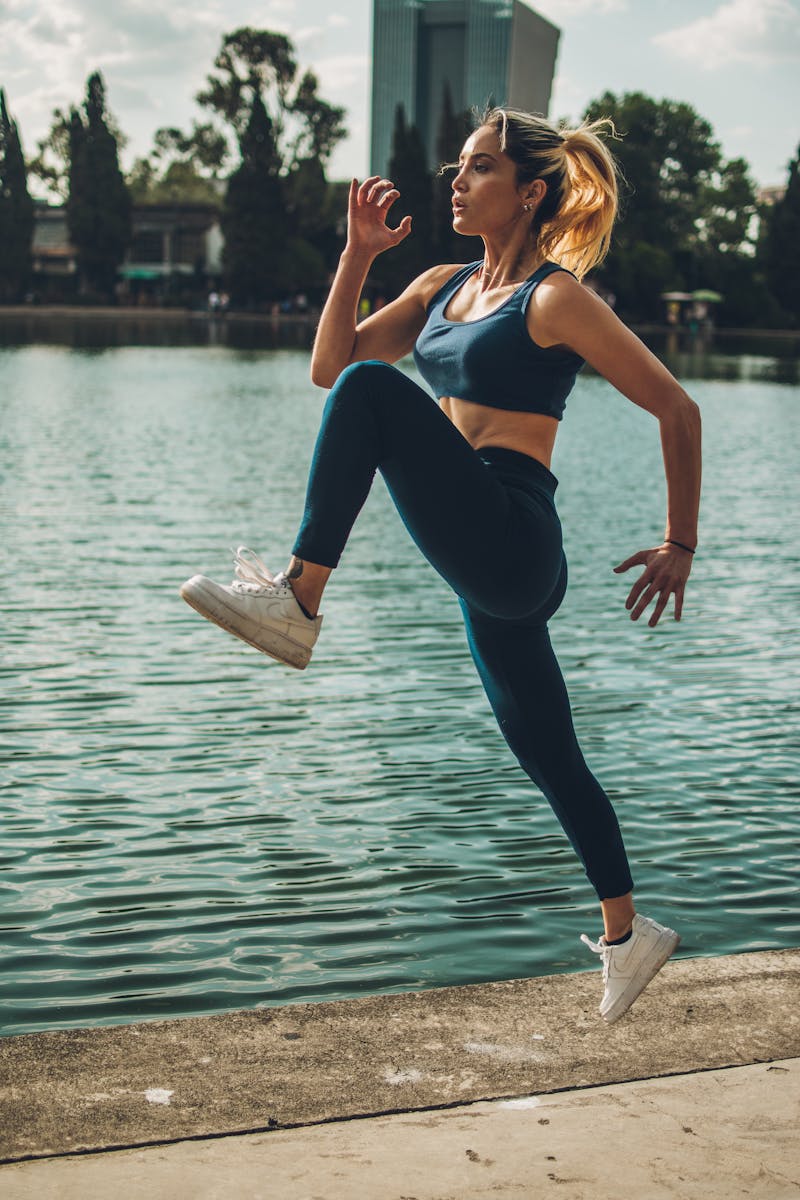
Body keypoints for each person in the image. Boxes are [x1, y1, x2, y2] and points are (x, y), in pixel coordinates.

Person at [181, 107, 702, 1023]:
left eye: (480, 169)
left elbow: (676, 407)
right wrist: (356, 257)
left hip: (512, 530)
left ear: (529, 192)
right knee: (549, 753)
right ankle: (629, 934)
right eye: (459, 168)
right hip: (480, 560)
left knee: (378, 393)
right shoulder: (437, 284)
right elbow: (328, 366)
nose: (457, 181)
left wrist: (679, 542)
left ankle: (300, 599)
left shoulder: (555, 297)